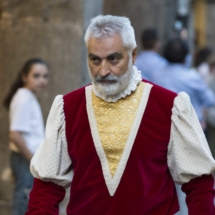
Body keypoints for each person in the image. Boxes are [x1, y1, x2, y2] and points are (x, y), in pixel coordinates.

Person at [26, 15, 215, 215]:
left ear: (133, 55)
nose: (104, 70)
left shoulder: (170, 106)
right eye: (95, 60)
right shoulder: (68, 108)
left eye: (113, 58)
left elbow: (199, 185)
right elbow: (46, 188)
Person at [151, 38, 215, 215]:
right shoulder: (192, 77)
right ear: (186, 57)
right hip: (188, 137)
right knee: (191, 181)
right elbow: (210, 100)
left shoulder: (156, 75)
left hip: (158, 135)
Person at [3, 58, 49, 215]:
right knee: (22, 201)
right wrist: (33, 160)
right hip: (25, 159)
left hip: (26, 159)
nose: (41, 80)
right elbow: (15, 135)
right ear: (24, 77)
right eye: (36, 76)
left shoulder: (27, 96)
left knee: (26, 201)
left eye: (45, 76)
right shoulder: (23, 98)